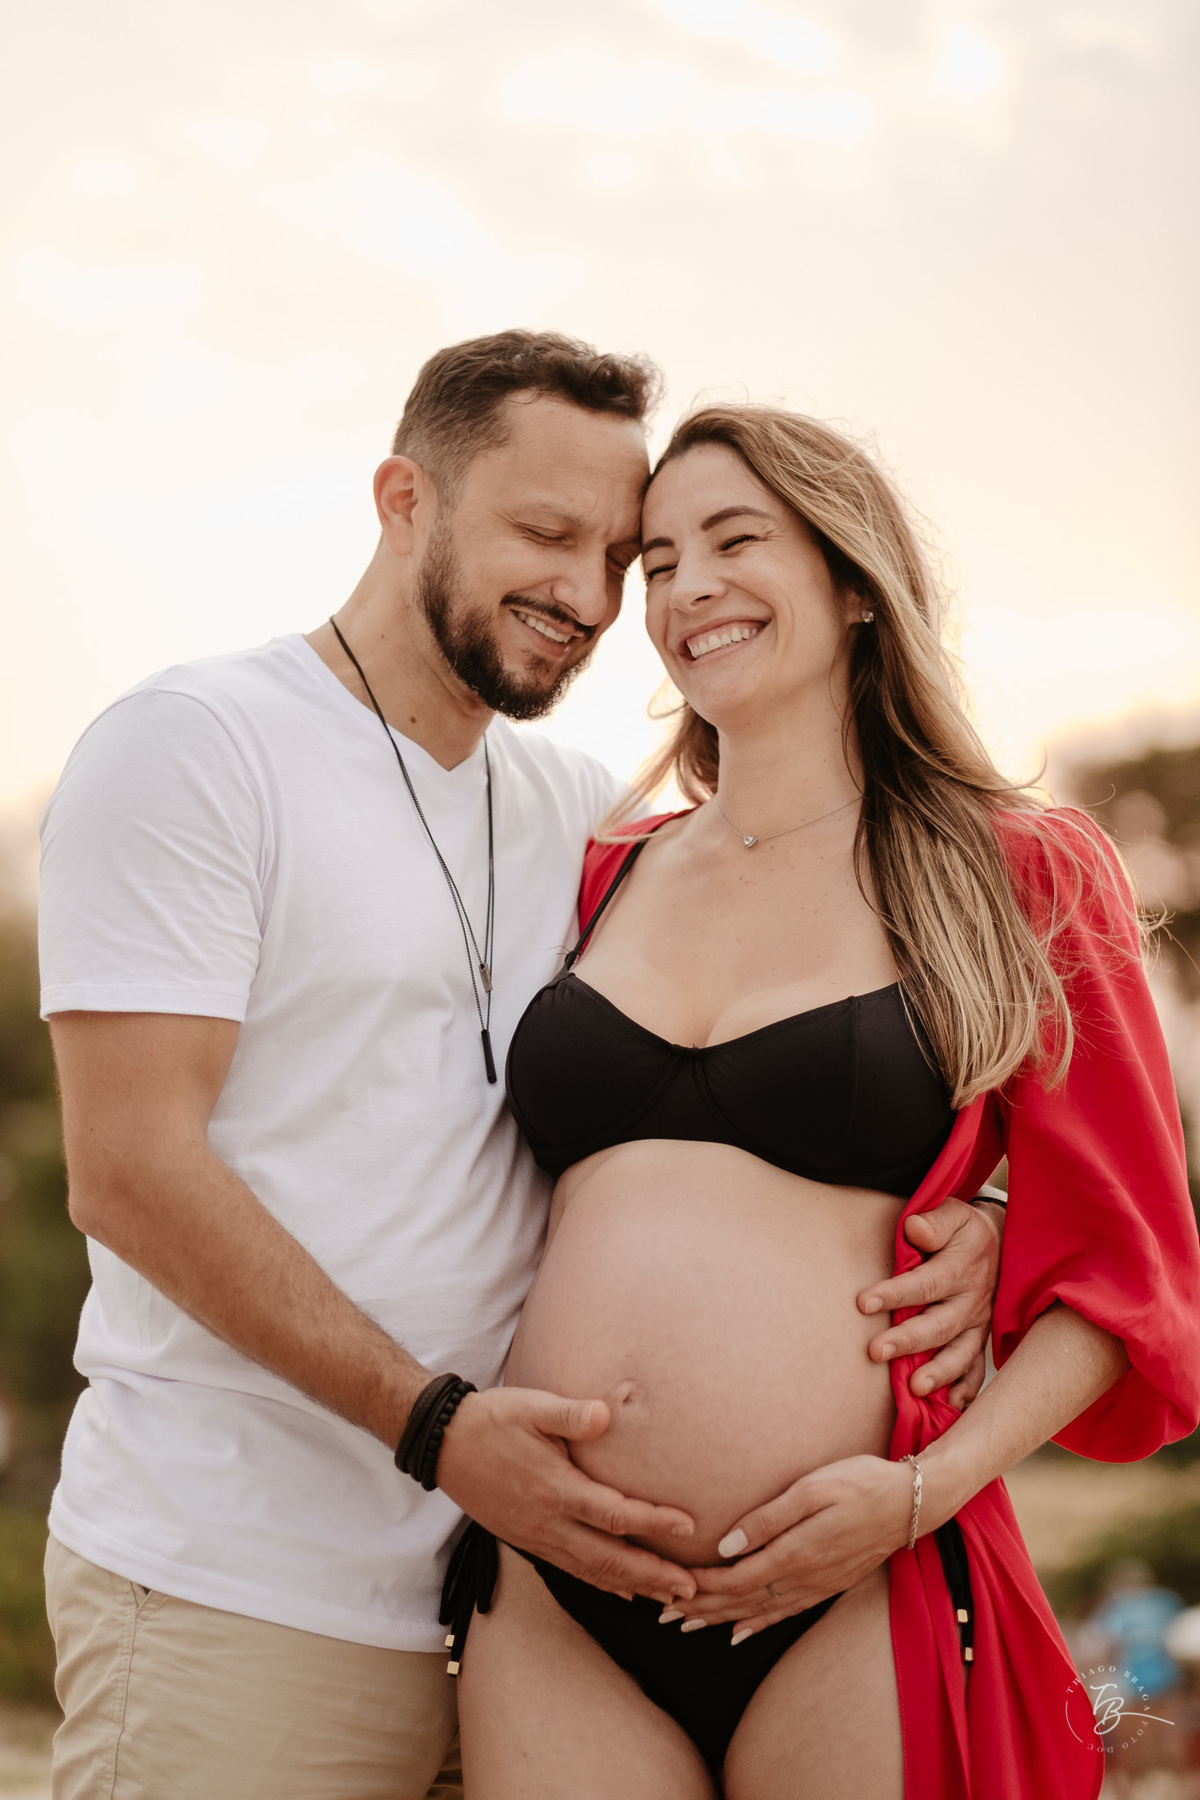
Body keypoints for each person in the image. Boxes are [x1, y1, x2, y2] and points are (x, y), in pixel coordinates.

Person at [36, 334, 1002, 1800]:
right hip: (243, 1582)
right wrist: (437, 1430)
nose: (593, 597)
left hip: (509, 1593)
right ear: (402, 497)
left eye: (622, 555)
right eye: (546, 535)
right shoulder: (197, 746)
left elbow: (783, 1056)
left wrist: (980, 1220)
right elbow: (129, 1173)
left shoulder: (580, 819)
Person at [456, 403, 1200, 1800]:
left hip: (855, 1579)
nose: (688, 590)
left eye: (738, 541)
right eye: (658, 558)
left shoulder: (1020, 871)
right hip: (556, 1585)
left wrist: (919, 1496)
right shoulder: (599, 869)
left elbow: (1129, 1275)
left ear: (855, 585)